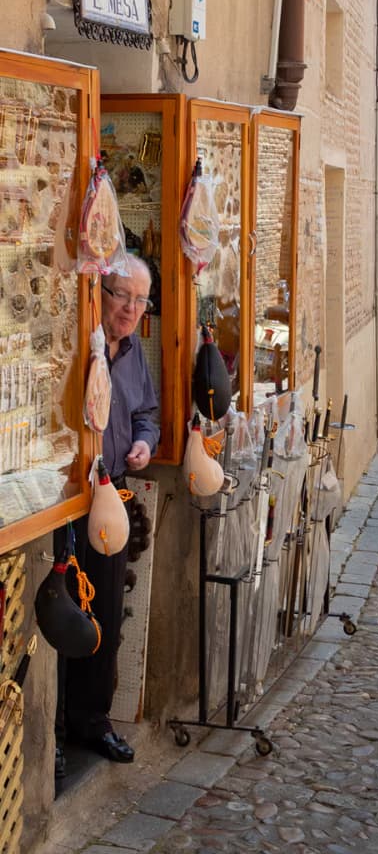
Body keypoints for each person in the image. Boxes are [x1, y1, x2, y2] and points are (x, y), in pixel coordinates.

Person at [55, 255, 159, 772]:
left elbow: (147, 413)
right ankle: (52, 731)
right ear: (101, 291)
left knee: (106, 615)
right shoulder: (77, 339)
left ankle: (91, 723)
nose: (132, 309)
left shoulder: (136, 350)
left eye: (141, 301)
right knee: (59, 613)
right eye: (123, 296)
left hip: (111, 493)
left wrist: (143, 443)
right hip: (65, 495)